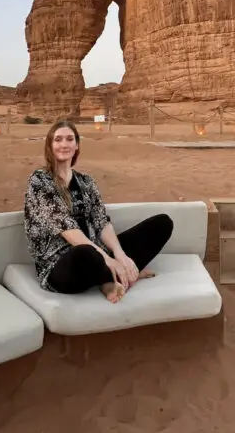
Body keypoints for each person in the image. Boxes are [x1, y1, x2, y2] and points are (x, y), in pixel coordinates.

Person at [24, 119, 173, 303]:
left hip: (97, 252)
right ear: (50, 145)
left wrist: (120, 256)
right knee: (85, 253)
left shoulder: (86, 182)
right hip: (62, 264)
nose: (64, 144)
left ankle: (119, 272)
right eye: (58, 139)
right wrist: (108, 260)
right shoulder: (40, 181)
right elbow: (68, 230)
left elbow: (101, 222)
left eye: (70, 139)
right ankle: (109, 279)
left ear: (77, 145)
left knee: (162, 224)